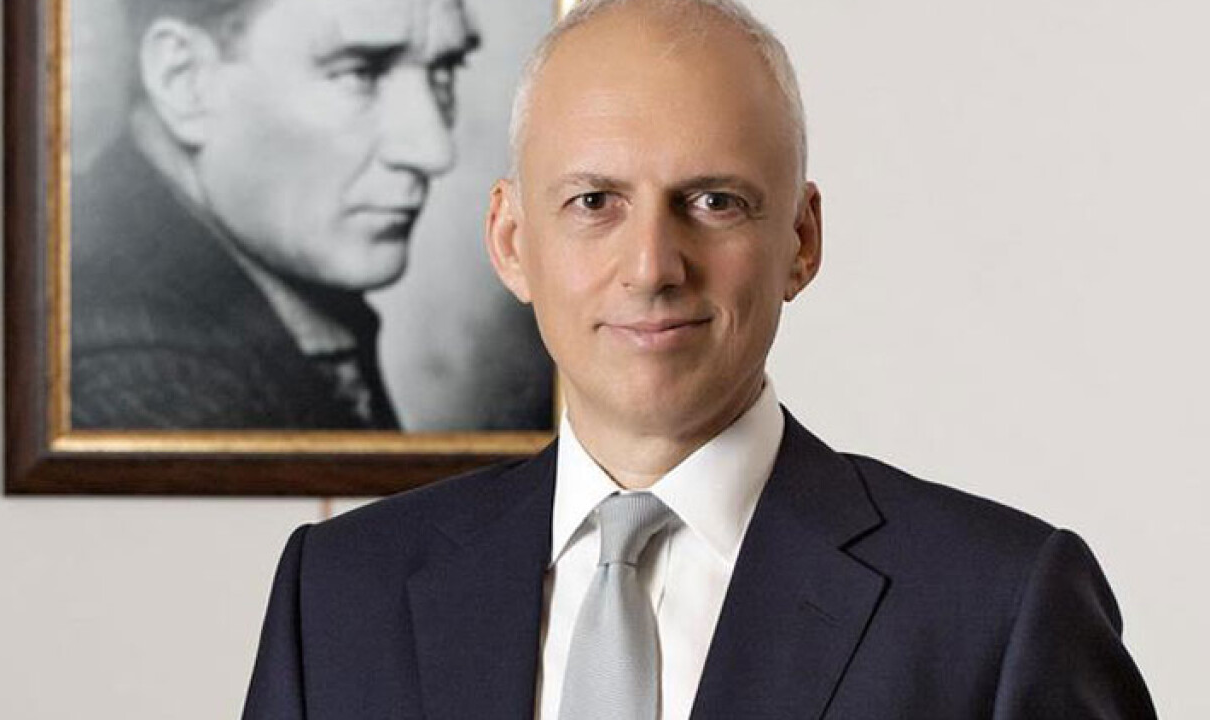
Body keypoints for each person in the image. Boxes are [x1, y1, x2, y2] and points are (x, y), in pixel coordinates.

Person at [243, 0, 1157, 717]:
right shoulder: (338, 596)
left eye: (715, 202)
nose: (652, 266)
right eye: (594, 202)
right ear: (512, 240)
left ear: (801, 240)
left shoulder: (997, 606)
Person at [69, 0, 479, 429]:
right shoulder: (142, 383)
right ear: (185, 79)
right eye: (359, 74)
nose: (435, 151)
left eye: (444, 70)